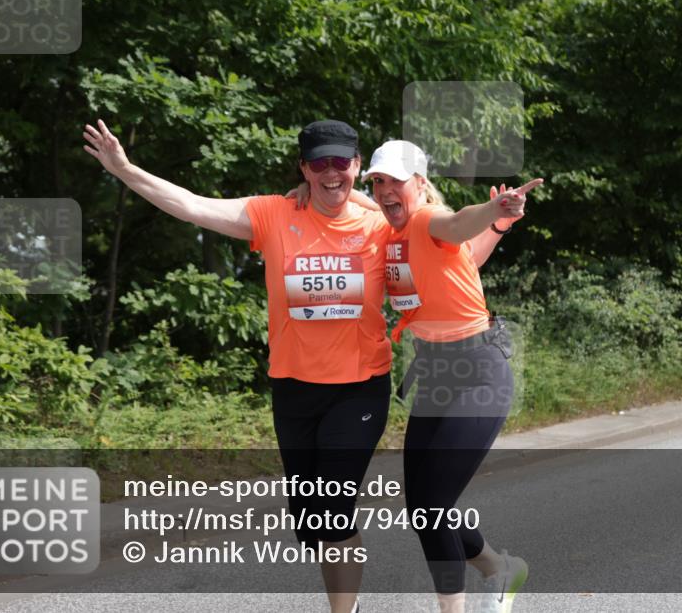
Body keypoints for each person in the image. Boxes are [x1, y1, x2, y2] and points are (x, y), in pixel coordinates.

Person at [83, 118, 391, 613]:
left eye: (342, 162)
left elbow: (431, 216)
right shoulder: (273, 215)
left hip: (360, 389)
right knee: (310, 523)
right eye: (320, 164)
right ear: (304, 169)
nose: (332, 173)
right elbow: (192, 206)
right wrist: (125, 170)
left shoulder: (380, 225)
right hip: (293, 388)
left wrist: (368, 200)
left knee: (334, 511)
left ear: (357, 165)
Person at [363, 140, 542, 613]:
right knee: (424, 507)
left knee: (433, 504)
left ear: (420, 184)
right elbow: (466, 257)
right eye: (378, 182)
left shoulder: (426, 218)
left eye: (394, 181)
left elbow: (459, 222)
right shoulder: (393, 233)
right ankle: (499, 568)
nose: (384, 191)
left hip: (479, 370)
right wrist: (501, 225)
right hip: (437, 371)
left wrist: (491, 209)